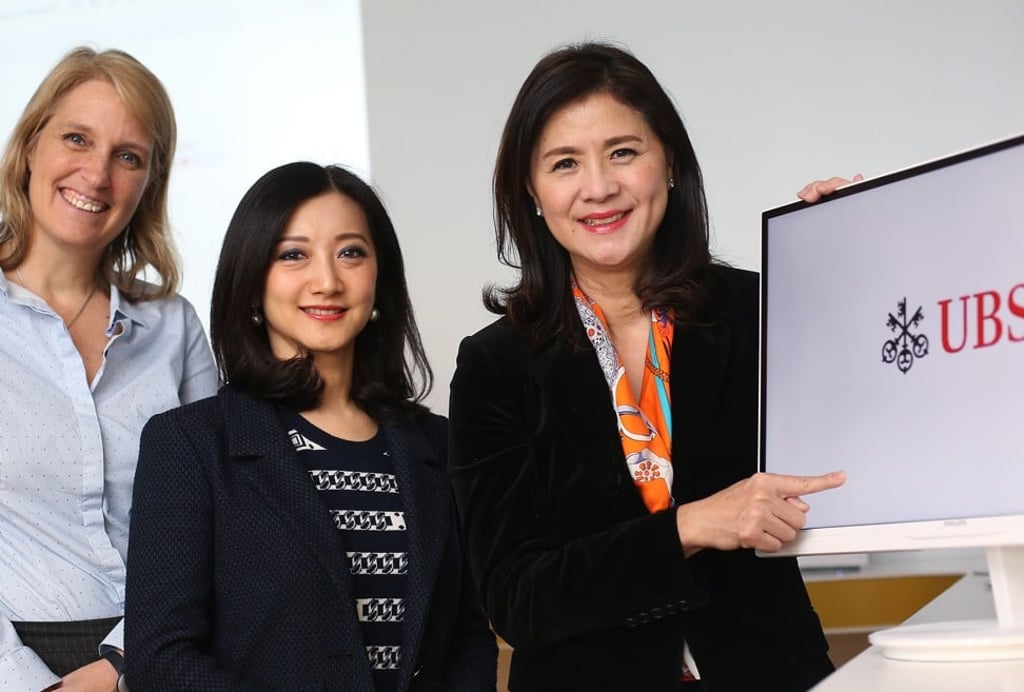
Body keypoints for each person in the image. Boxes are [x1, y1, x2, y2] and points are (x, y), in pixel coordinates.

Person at [447, 42, 851, 692]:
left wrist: (856, 250)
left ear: (668, 162)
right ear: (531, 188)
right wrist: (689, 526)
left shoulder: (763, 309)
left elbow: (877, 435)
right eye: (565, 163)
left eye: (623, 152)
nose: (599, 186)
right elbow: (516, 598)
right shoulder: (497, 364)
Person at [123, 161, 497, 691]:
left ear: (379, 278)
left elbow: (466, 637)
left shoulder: (435, 443)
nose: (327, 281)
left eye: (351, 253)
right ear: (252, 281)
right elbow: (161, 657)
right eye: (293, 254)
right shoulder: (190, 445)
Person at [0, 47, 218, 690]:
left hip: (164, 654)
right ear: (31, 146)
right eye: (76, 138)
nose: (96, 175)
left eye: (128, 157)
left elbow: (216, 511)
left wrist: (125, 662)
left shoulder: (174, 327)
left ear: (150, 181)